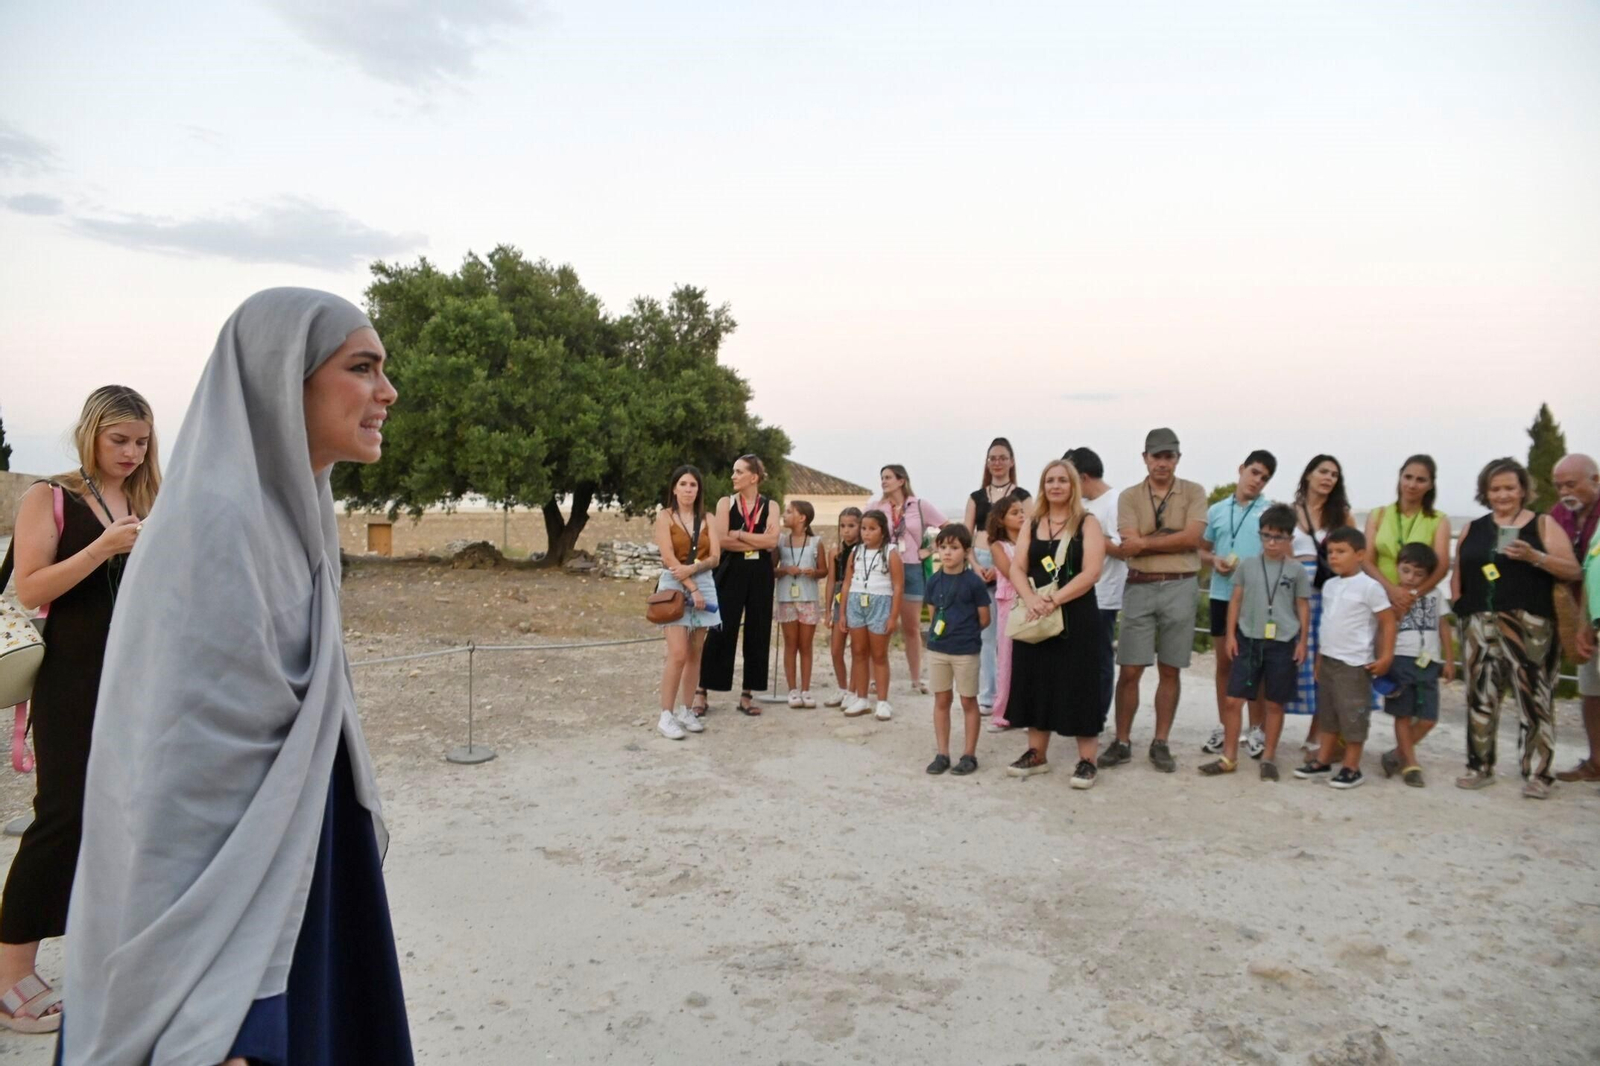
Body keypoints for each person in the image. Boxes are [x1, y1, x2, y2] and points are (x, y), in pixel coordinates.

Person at [59, 289, 411, 1064]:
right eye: (362, 368)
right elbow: (179, 791)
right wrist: (218, 1025)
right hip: (232, 913)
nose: (387, 392)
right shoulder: (215, 525)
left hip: (299, 860)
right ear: (283, 378)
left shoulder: (294, 509)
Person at [0, 387, 159, 1035]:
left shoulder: (150, 498)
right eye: (119, 439)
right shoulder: (50, 496)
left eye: (142, 441)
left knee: (129, 815)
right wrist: (101, 548)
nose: (132, 452)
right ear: (90, 433)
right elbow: (30, 587)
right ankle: (9, 975)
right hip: (72, 678)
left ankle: (108, 952)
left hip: (141, 679)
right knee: (62, 816)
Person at [1451, 457, 1580, 798]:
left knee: (1534, 698)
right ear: (1485, 492)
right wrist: (1459, 605)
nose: (1502, 495)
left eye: (1509, 487)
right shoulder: (1473, 528)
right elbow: (1459, 570)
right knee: (1479, 696)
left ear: (1523, 490)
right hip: (1478, 623)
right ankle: (1479, 767)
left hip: (1530, 625)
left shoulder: (1542, 524)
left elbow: (1572, 570)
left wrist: (1534, 557)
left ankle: (1539, 774)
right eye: (1495, 489)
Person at [1101, 428, 1206, 774]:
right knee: (1130, 668)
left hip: (1181, 585)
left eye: (1168, 456)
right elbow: (1128, 542)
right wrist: (1173, 539)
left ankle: (1161, 742)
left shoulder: (1194, 491)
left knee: (1170, 668)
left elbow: (1193, 537)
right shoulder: (1129, 496)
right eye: (1156, 456)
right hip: (1140, 585)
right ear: (1145, 458)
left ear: (1178, 458)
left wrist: (1147, 543)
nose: (1162, 462)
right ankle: (1122, 741)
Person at [1004, 460, 1107, 788]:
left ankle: (1087, 760)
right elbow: (1017, 567)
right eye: (1050, 480)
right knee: (1035, 679)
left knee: (1080, 683)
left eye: (1063, 480)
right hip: (1036, 613)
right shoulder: (1033, 523)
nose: (1056, 485)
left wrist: (1054, 600)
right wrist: (1031, 598)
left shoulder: (1087, 523)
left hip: (1076, 614)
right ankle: (1037, 753)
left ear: (1073, 485)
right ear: (1043, 486)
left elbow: (1092, 572)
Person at [1201, 504, 1309, 781]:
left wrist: (1303, 642)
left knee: (1274, 703)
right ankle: (1228, 756)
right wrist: (1230, 635)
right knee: (1233, 700)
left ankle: (1269, 757)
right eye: (1266, 535)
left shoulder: (1296, 570)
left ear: (1289, 538)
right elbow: (1235, 601)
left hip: (1282, 642)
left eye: (1278, 537)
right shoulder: (1248, 566)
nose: (1272, 542)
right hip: (1248, 639)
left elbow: (1302, 605)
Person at [1292, 527, 1395, 790]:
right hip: (1328, 660)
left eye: (1341, 551)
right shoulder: (1329, 585)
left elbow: (1387, 621)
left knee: (1353, 715)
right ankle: (1323, 760)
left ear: (1359, 554)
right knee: (1328, 713)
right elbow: (1327, 624)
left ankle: (1352, 767)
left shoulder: (1370, 587)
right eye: (1330, 552)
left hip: (1354, 663)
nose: (1334, 557)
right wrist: (1319, 659)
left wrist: (1386, 656)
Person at [1199, 450, 1277, 760]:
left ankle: (1257, 729)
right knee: (1225, 663)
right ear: (1241, 469)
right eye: (1254, 472)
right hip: (1221, 595)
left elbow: (1279, 554)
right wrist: (1213, 560)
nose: (1257, 481)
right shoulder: (1217, 510)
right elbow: (1201, 549)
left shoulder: (1269, 512)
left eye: (1264, 478)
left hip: (1256, 599)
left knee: (1256, 666)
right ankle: (1225, 726)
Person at [697, 455, 780, 716]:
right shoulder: (726, 503)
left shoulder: (771, 505)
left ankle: (747, 694)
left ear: (753, 477)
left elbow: (773, 542)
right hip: (731, 571)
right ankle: (702, 691)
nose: (733, 476)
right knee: (721, 628)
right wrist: (758, 539)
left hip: (760, 573)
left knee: (758, 630)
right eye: (733, 471)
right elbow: (722, 540)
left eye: (739, 472)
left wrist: (741, 534)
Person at [1285, 455, 1354, 753]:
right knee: (1292, 660)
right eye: (1323, 472)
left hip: (1330, 595)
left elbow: (1354, 556)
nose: (1328, 478)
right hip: (1295, 595)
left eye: (1334, 475)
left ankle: (1317, 733)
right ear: (1308, 475)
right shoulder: (1290, 512)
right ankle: (1266, 730)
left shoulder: (1342, 516)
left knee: (1326, 663)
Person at [652, 465, 721, 740]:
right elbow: (668, 557)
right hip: (674, 583)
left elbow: (715, 556)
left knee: (695, 653)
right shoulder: (664, 516)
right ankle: (665, 715)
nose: (688, 490)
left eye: (693, 485)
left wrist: (693, 571)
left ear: (699, 489)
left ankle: (686, 709)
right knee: (678, 653)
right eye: (683, 484)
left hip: (703, 581)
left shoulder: (708, 518)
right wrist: (691, 586)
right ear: (674, 488)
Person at [1378, 543, 1455, 787]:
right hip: (1401, 657)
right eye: (1406, 570)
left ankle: (1396, 754)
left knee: (1428, 718)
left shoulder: (1435, 595)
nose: (1411, 578)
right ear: (1397, 568)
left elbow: (1443, 626)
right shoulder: (1389, 595)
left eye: (1419, 574)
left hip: (1428, 659)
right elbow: (1384, 628)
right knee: (1403, 713)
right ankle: (1411, 764)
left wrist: (1449, 659)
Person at [963, 439, 1031, 713]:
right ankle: (989, 695)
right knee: (987, 635)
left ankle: (1013, 696)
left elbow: (1030, 531)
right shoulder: (976, 497)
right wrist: (975, 566)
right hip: (980, 561)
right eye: (993, 458)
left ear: (1011, 461)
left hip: (1012, 560)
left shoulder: (1023, 496)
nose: (997, 462)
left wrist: (1007, 566)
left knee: (1012, 637)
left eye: (1003, 457)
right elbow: (965, 537)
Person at [867, 465, 946, 694]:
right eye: (882, 477)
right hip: (883, 568)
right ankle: (874, 679)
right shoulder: (876, 506)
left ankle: (916, 680)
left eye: (888, 477)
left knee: (911, 627)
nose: (883, 481)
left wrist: (930, 550)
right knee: (880, 625)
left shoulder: (920, 505)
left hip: (912, 568)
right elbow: (864, 530)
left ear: (901, 481)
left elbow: (947, 528)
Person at [1063, 447, 1127, 724]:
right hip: (1075, 591)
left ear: (1084, 477)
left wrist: (1090, 534)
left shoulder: (1115, 502)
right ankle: (1078, 710)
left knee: (1099, 658)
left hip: (1103, 593)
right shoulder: (1083, 504)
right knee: (1076, 658)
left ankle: (1096, 716)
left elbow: (1123, 549)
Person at [922, 524, 990, 776]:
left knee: (968, 700)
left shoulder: (974, 583)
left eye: (954, 547)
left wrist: (965, 633)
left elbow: (985, 618)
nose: (947, 552)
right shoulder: (933, 581)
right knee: (941, 699)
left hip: (965, 651)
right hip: (938, 649)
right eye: (943, 547)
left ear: (966, 551)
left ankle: (969, 754)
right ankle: (942, 753)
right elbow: (932, 615)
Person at [1550, 454, 1600, 784]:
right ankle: (1596, 763)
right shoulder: (1559, 515)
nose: (1565, 492)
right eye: (1559, 487)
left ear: (1596, 480)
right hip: (1582, 614)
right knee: (1591, 691)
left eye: (1571, 484)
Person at [1364, 455, 1452, 618]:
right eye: (1408, 477)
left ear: (1430, 485)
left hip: (1416, 601)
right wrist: (1392, 591)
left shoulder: (1438, 520)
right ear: (1400, 477)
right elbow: (1367, 560)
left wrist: (1412, 595)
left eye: (1420, 480)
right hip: (1378, 598)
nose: (1412, 485)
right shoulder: (1378, 515)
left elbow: (1442, 566)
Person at [839, 510, 904, 720]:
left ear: (882, 531)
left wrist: (893, 616)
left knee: (879, 655)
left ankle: (883, 701)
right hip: (856, 602)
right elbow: (847, 583)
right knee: (858, 652)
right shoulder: (856, 552)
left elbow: (898, 586)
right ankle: (862, 698)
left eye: (872, 529)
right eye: (864, 529)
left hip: (880, 603)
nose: (866, 533)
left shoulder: (891, 552)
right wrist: (842, 613)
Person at [775, 500, 825, 709]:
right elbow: (771, 569)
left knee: (806, 645)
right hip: (786, 599)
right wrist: (786, 570)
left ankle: (806, 689)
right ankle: (792, 690)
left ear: (802, 518)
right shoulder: (780, 541)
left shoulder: (816, 542)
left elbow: (824, 570)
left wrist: (814, 572)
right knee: (790, 644)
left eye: (789, 512)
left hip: (808, 598)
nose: (784, 515)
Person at [984, 494, 1027, 732]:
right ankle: (1003, 714)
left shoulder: (1031, 541)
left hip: (1032, 603)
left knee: (1030, 659)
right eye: (1014, 512)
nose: (1021, 515)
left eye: (1022, 511)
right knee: (1007, 659)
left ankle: (1029, 712)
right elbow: (1011, 573)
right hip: (1010, 605)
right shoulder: (998, 547)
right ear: (1001, 519)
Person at [822, 507, 862, 708]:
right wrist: (828, 610)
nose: (846, 530)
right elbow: (831, 581)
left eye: (851, 526)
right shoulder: (835, 552)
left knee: (857, 649)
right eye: (843, 526)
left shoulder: (863, 551)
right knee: (836, 649)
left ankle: (854, 691)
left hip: (857, 597)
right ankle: (842, 687)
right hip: (839, 598)